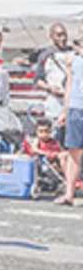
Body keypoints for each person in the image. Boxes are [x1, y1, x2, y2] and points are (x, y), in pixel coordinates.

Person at [55, 37, 83, 206]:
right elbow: (70, 85)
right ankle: (69, 194)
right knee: (73, 151)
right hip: (76, 106)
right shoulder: (72, 59)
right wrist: (64, 111)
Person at [35, 23, 71, 127]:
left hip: (73, 106)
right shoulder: (45, 56)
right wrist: (50, 88)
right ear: (51, 36)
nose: (63, 38)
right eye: (59, 35)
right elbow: (38, 80)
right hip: (54, 105)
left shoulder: (74, 53)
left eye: (65, 35)